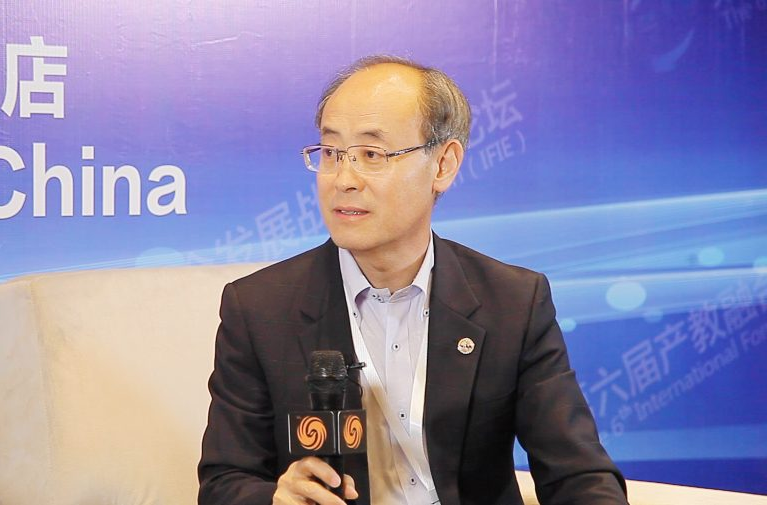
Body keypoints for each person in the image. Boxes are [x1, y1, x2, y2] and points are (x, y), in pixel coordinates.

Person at [198, 55, 629, 505]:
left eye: (372, 155)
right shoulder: (260, 308)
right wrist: (276, 498)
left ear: (443, 164)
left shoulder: (513, 302)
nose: (343, 179)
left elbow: (579, 476)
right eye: (331, 153)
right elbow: (224, 482)